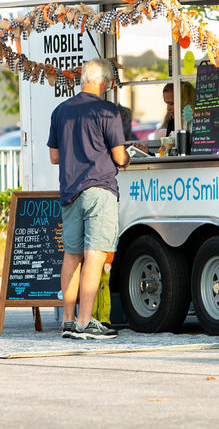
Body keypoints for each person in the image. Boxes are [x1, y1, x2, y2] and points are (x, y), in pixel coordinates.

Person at [47, 58, 129, 340]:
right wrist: (126, 156)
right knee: (95, 254)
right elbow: (119, 156)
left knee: (72, 255)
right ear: (105, 82)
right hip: (99, 189)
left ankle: (68, 320)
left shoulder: (60, 111)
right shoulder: (107, 111)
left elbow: (54, 156)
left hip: (70, 191)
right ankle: (86, 322)